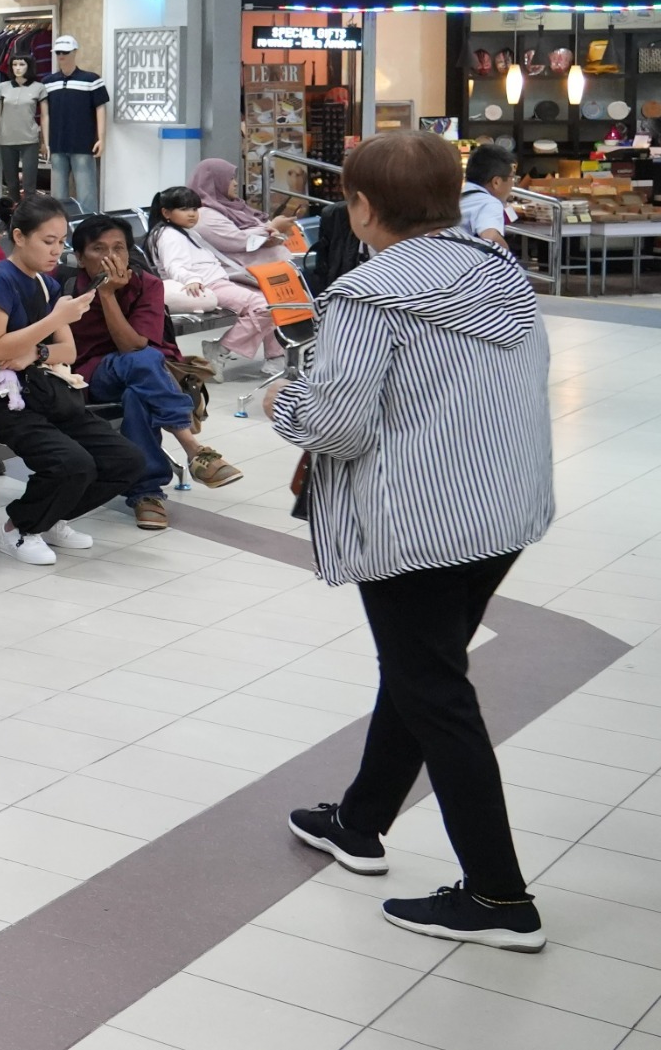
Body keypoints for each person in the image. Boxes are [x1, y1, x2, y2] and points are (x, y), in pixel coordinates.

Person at [270, 131, 553, 952]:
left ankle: (499, 895)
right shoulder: (498, 269)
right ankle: (360, 821)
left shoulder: (369, 294)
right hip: (501, 507)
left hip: (418, 520)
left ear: (361, 206)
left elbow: (338, 424)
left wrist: (285, 400)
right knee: (423, 668)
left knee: (436, 691)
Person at [0, 194, 146, 566]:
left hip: (42, 389)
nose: (56, 251)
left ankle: (51, 517)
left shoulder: (47, 284)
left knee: (127, 460)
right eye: (48, 241)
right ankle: (20, 528)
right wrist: (54, 321)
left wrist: (36, 353)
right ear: (19, 237)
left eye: (61, 242)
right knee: (71, 463)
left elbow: (66, 351)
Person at [67, 215, 242, 532]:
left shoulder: (147, 285)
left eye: (118, 248)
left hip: (147, 375)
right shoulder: (67, 289)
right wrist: (106, 294)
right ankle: (193, 448)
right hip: (93, 374)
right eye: (99, 249)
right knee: (142, 361)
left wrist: (110, 295)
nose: (111, 257)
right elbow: (131, 349)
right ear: (80, 257)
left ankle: (146, 493)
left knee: (137, 393)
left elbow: (134, 345)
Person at [148, 185, 279, 372]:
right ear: (166, 212)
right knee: (264, 307)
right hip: (207, 286)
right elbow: (174, 265)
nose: (192, 214)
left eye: (194, 209)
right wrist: (191, 279)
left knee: (272, 304)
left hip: (216, 282)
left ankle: (276, 356)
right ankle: (221, 348)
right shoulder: (169, 235)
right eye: (184, 209)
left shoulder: (183, 231)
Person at [42, 37, 108, 211]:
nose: (61, 55)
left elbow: (100, 108)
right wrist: (45, 142)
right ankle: (59, 225)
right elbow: (45, 114)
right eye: (58, 52)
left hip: (83, 144)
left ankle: (90, 224)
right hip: (57, 144)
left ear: (75, 52)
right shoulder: (48, 82)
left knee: (87, 193)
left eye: (65, 52)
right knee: (57, 196)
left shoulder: (91, 80)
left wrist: (101, 138)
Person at [0, 54, 44, 201]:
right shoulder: (2, 88)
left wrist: (45, 142)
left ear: (29, 66)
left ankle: (29, 212)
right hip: (7, 140)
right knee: (11, 185)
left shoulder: (38, 88)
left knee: (29, 186)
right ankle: (13, 213)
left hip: (30, 139)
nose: (18, 68)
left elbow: (45, 116)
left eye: (22, 64)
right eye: (14, 64)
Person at [459, 144, 514, 250]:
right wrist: (507, 257)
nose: (512, 184)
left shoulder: (456, 197)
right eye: (512, 177)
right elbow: (491, 238)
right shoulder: (489, 203)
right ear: (496, 182)